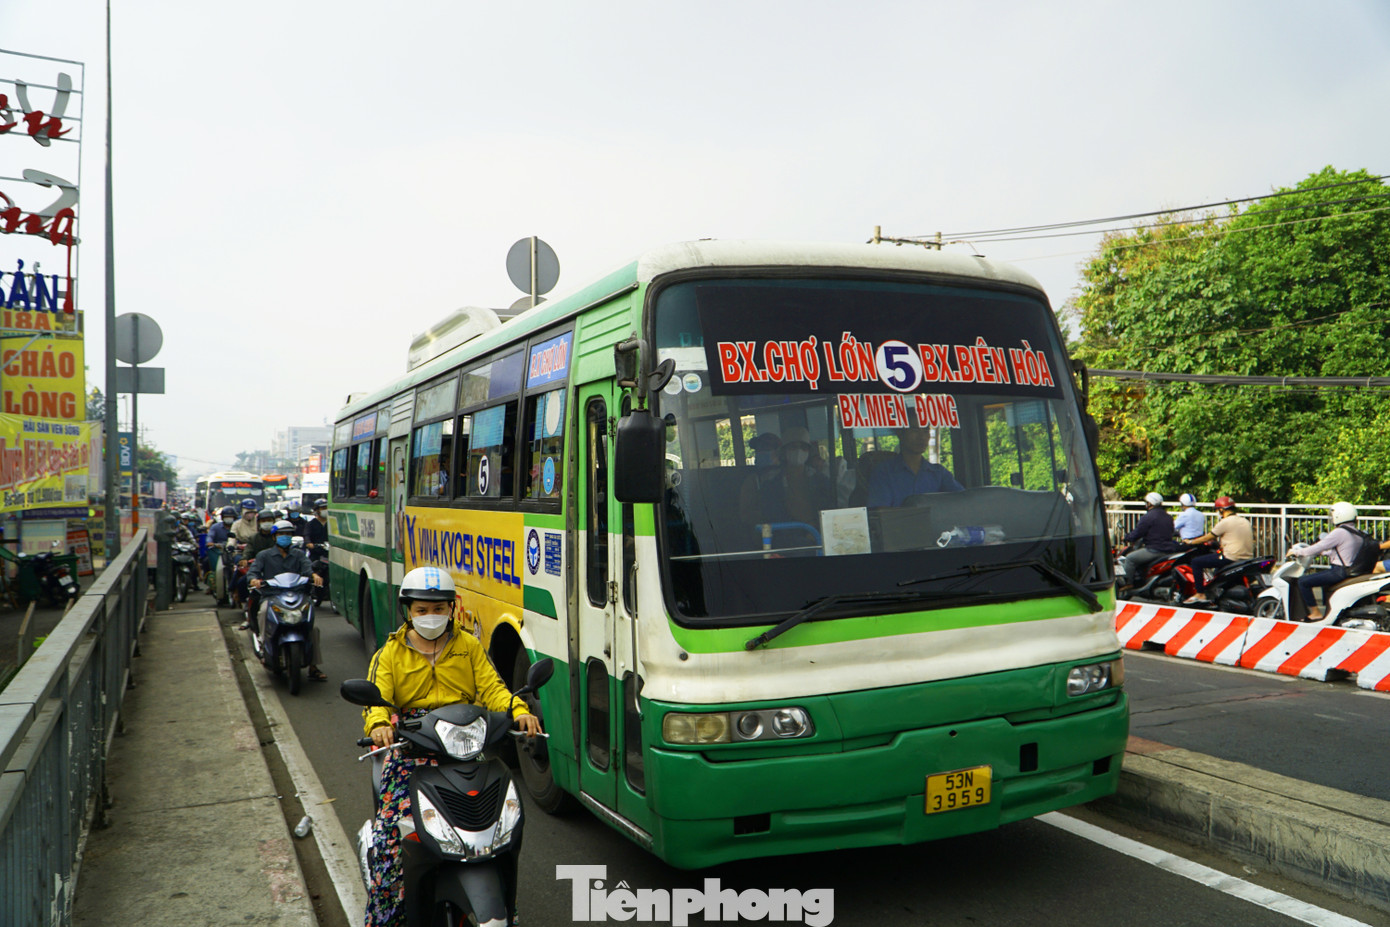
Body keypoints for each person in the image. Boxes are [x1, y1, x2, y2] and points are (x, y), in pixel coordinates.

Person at [362, 566, 542, 926]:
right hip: (411, 746)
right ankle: (386, 915)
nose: (430, 616)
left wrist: (519, 711)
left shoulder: (468, 646)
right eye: (421, 610)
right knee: (391, 838)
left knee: (501, 823)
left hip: (464, 743)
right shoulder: (390, 653)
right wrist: (380, 724)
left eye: (438, 608)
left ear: (451, 608)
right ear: (408, 611)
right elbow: (376, 699)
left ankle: (504, 902)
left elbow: (493, 688)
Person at [247, 519, 326, 679]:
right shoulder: (264, 555)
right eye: (281, 534)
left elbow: (307, 568)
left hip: (297, 595)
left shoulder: (298, 554)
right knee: (263, 612)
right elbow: (253, 572)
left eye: (288, 534)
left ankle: (313, 667)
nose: (285, 537)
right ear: (274, 537)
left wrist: (314, 575)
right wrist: (254, 580)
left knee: (312, 629)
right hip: (272, 596)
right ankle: (263, 643)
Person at [738, 426, 834, 532]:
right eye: (793, 447)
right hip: (784, 536)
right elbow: (767, 516)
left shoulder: (820, 480)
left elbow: (829, 511)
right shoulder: (768, 484)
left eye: (803, 447)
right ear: (783, 451)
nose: (798, 451)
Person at [1290, 502, 1368, 620]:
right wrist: (1324, 553)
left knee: (1303, 581)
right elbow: (1344, 552)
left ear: (1338, 515)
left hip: (1339, 571)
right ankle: (1328, 613)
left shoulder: (1340, 532)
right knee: (1323, 584)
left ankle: (1315, 613)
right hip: (1349, 569)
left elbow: (1319, 546)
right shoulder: (1356, 532)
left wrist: (1297, 552)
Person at [866, 426, 963, 507]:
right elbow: (880, 513)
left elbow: (963, 500)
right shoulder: (884, 473)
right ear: (900, 433)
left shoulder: (938, 473)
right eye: (915, 430)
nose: (922, 437)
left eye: (926, 431)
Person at [1183, 496, 1254, 605]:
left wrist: (1191, 542)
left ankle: (1200, 593)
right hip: (1247, 557)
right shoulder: (1245, 521)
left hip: (1230, 557)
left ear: (1221, 509)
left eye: (1217, 510)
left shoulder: (1225, 522)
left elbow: (1209, 537)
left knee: (1196, 562)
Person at [1119, 492, 1182, 588]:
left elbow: (1138, 533)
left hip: (1154, 549)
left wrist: (1127, 537)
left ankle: (1128, 584)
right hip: (1169, 549)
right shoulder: (1168, 517)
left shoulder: (1148, 517)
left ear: (1149, 503)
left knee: (1130, 559)